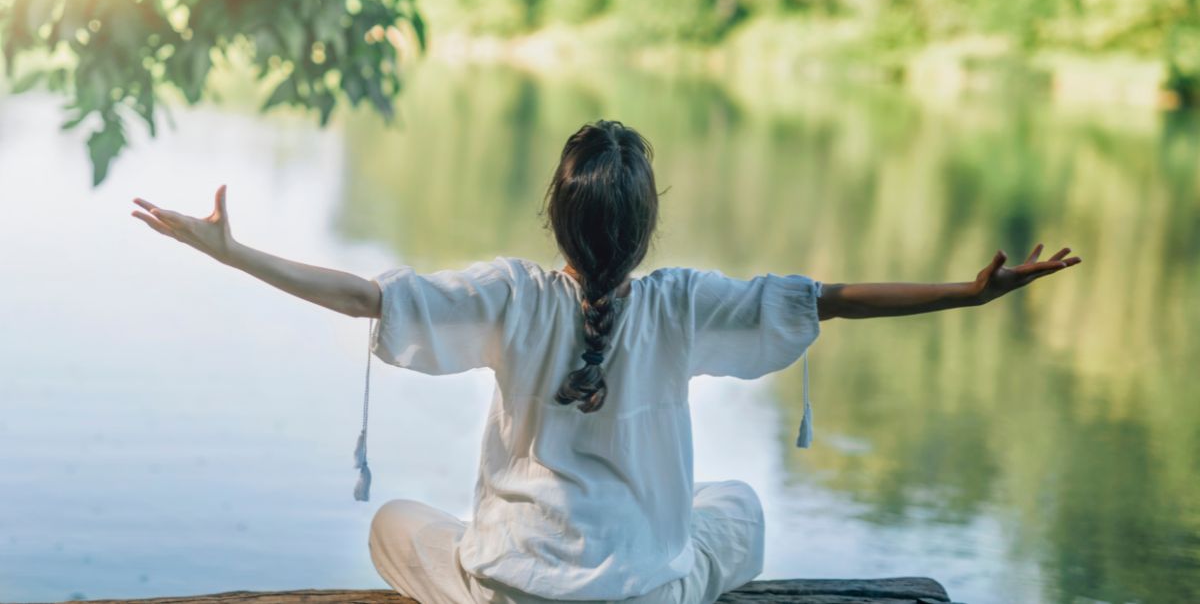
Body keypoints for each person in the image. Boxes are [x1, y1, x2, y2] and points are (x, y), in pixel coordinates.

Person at [131, 120, 1081, 604]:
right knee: (740, 509)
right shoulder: (682, 302)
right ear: (646, 222)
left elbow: (365, 297)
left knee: (395, 524)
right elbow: (828, 298)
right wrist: (968, 292)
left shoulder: (509, 293)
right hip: (646, 593)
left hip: (511, 587)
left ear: (555, 213)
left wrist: (234, 252)